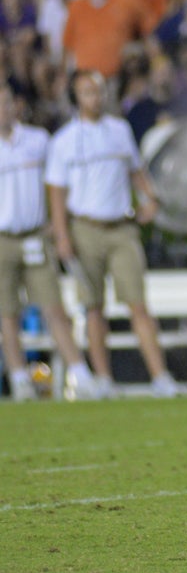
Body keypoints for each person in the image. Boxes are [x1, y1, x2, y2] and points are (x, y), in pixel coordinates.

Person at [45, 69, 180, 398]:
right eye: (88, 92)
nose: (95, 97)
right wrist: (62, 235)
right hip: (86, 227)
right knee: (93, 307)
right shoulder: (64, 140)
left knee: (138, 303)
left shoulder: (119, 130)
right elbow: (57, 193)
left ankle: (160, 376)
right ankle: (103, 378)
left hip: (121, 227)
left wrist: (151, 198)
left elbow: (136, 171)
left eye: (99, 91)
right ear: (76, 97)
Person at [0, 85, 100, 401]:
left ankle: (80, 374)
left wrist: (55, 225)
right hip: (2, 239)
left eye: (5, 102)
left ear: (15, 105)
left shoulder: (38, 140)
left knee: (54, 306)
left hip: (34, 236)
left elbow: (57, 181)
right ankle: (19, 379)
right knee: (7, 313)